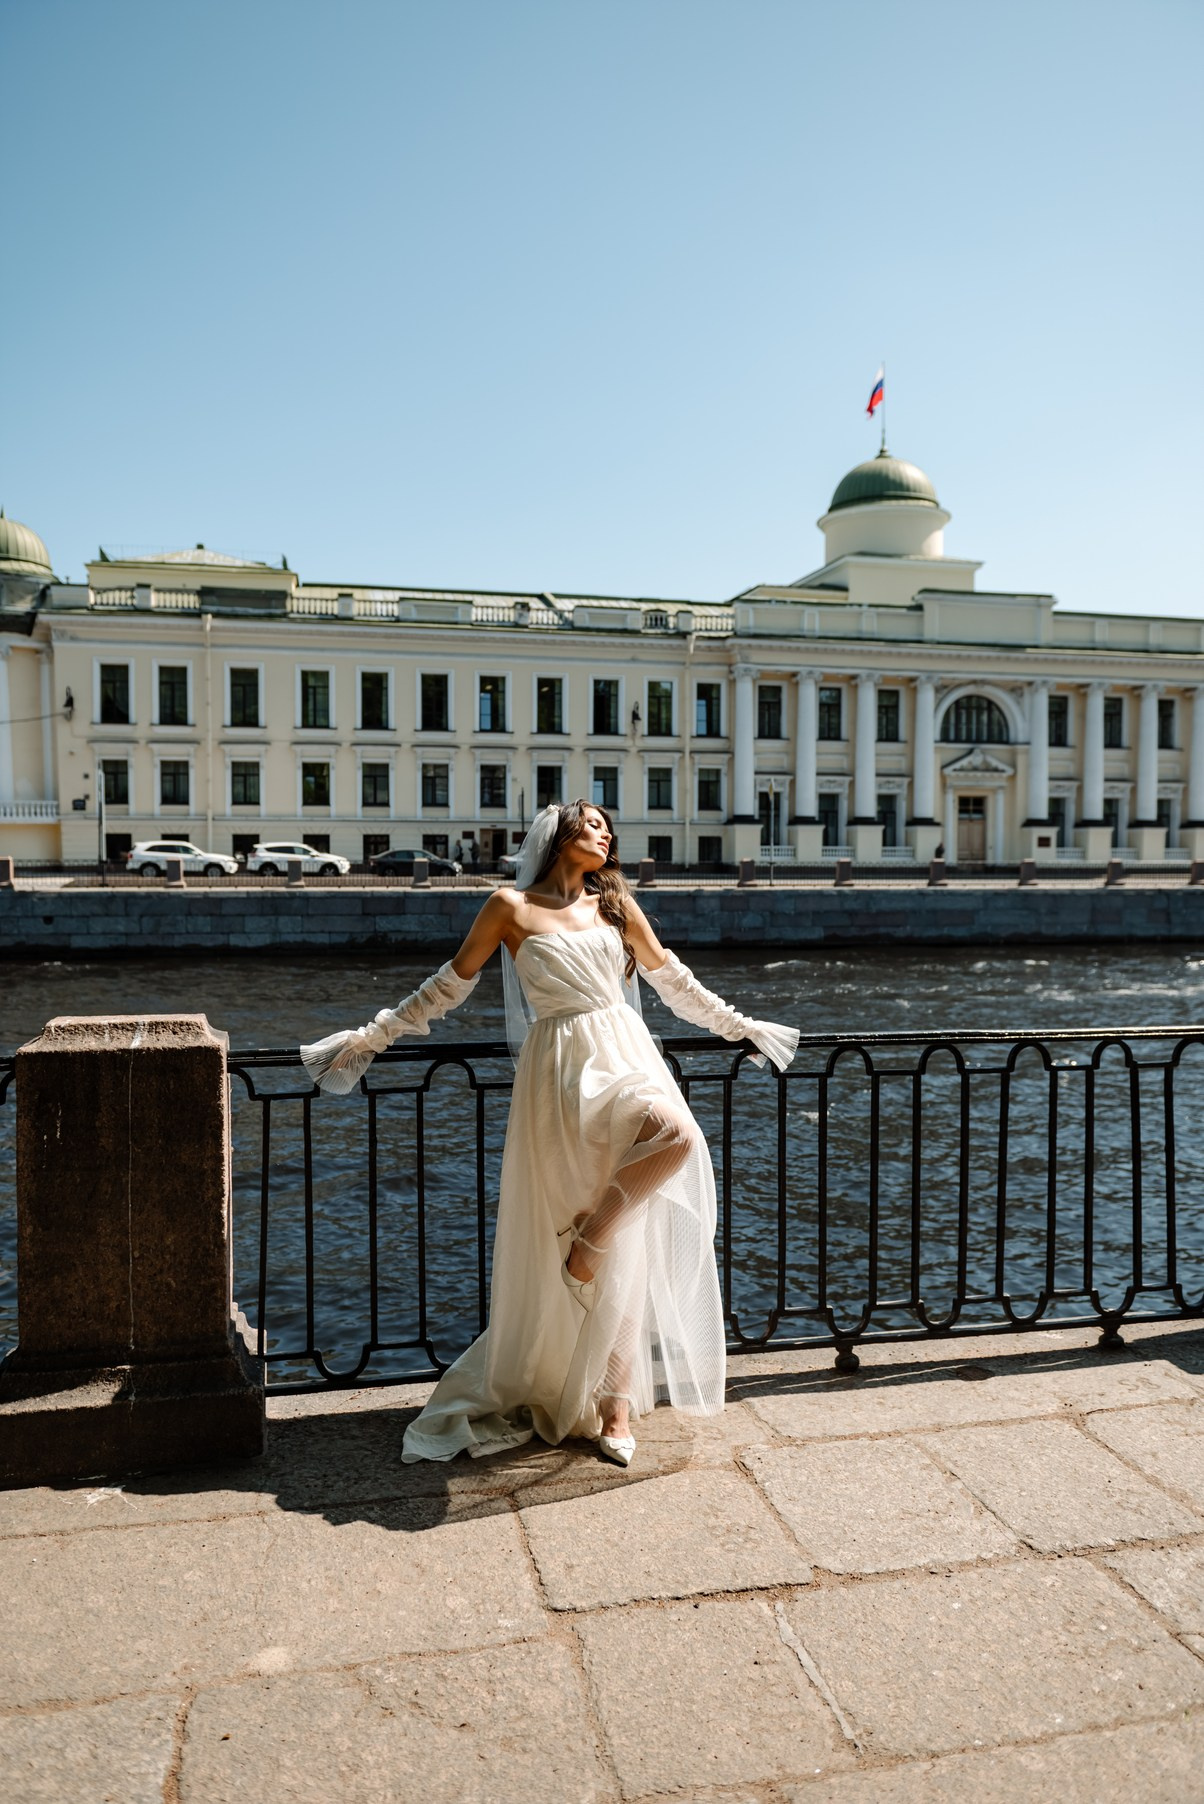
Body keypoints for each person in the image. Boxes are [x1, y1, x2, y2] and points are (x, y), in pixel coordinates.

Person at [300, 800, 798, 1468]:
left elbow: (673, 981)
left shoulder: (616, 906)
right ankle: (605, 1401)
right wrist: (369, 1039)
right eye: (593, 824)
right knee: (619, 1228)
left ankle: (596, 1301)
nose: (606, 834)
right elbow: (447, 987)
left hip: (624, 1054)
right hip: (559, 1073)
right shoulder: (508, 907)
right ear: (561, 836)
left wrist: (744, 1026)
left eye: (608, 829)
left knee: (676, 1139)